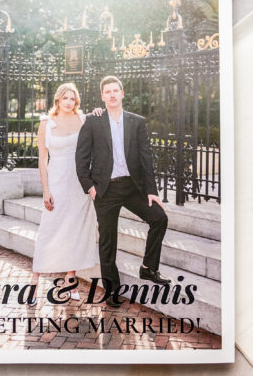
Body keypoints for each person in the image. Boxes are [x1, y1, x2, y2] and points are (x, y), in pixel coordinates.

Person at [75, 75, 169, 305]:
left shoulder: (137, 122)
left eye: (115, 91)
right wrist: (90, 188)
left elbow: (146, 158)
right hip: (105, 190)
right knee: (108, 241)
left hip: (132, 187)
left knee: (159, 218)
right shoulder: (93, 121)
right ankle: (112, 290)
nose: (112, 95)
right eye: (107, 92)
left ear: (122, 93)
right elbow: (81, 158)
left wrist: (151, 191)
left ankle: (148, 268)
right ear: (102, 96)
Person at [32, 83, 99, 299]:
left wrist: (98, 112)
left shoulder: (83, 119)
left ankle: (71, 282)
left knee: (75, 231)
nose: (69, 102)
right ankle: (34, 282)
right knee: (48, 230)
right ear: (58, 100)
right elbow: (42, 159)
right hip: (57, 182)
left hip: (79, 183)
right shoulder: (46, 123)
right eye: (65, 98)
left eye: (72, 99)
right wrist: (46, 190)